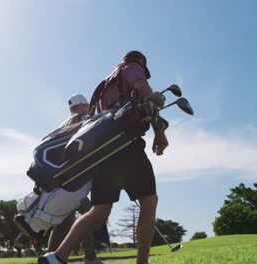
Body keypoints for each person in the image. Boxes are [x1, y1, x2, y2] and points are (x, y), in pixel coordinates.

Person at [39, 51, 168, 264]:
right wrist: (160, 130)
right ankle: (142, 262)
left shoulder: (104, 86)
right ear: (141, 64)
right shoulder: (131, 67)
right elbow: (143, 91)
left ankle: (57, 257)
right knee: (149, 200)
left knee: (99, 211)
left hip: (101, 153)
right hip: (126, 145)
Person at [49, 94, 103, 264]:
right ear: (80, 106)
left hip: (61, 180)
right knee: (87, 215)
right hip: (72, 180)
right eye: (87, 105)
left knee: (65, 220)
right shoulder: (82, 119)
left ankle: (51, 256)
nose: (89, 108)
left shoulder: (63, 124)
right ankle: (90, 257)